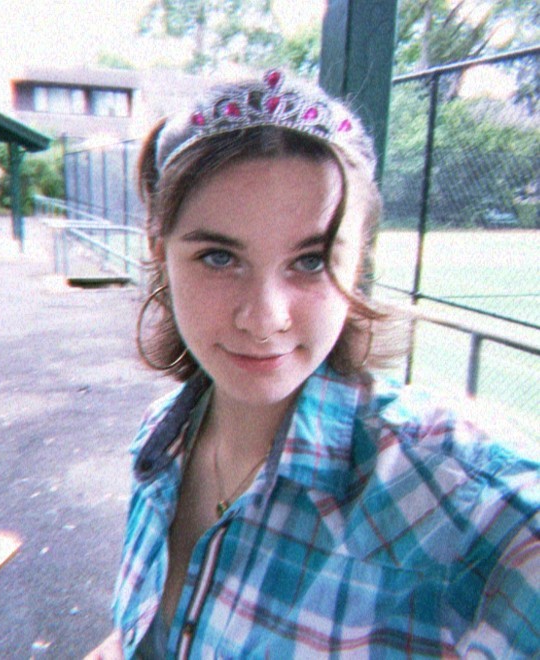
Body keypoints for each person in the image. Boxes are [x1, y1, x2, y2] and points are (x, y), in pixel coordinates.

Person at [87, 71, 538, 659]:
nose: (264, 318)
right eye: (218, 257)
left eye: (311, 261)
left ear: (358, 261)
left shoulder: (451, 490)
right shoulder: (161, 438)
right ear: (159, 252)